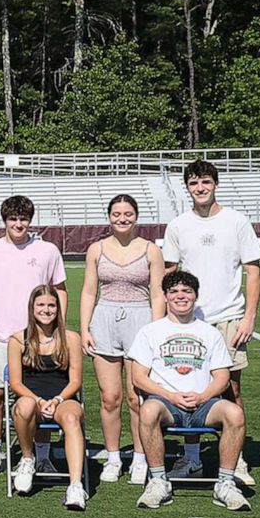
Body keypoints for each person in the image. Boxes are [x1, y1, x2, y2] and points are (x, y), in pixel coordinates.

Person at [161, 159, 260, 485]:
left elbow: (253, 270)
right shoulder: (178, 225)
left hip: (229, 318)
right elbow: (169, 273)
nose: (200, 188)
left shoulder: (237, 221)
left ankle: (237, 458)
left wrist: (249, 317)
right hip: (189, 320)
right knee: (188, 385)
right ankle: (191, 458)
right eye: (193, 183)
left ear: (215, 184)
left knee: (231, 388)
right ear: (187, 188)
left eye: (205, 182)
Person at [128, 270, 250, 512]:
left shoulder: (210, 332)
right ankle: (158, 480)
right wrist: (171, 396)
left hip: (204, 404)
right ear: (165, 297)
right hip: (167, 403)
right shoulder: (150, 331)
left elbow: (223, 376)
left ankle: (225, 483)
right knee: (149, 410)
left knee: (235, 413)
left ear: (195, 296)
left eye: (187, 291)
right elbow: (138, 377)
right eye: (174, 291)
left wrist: (203, 396)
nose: (180, 296)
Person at [0, 195, 66, 482]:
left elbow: (60, 289)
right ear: (4, 221)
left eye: (24, 218)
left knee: (42, 397)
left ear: (30, 220)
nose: (19, 224)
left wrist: (55, 328)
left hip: (38, 339)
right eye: (13, 218)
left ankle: (43, 455)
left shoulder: (47, 250)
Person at [78, 195, 164, 484]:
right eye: (116, 214)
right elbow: (89, 291)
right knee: (110, 397)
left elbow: (157, 293)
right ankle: (113, 457)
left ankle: (140, 458)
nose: (122, 219)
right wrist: (85, 328)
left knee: (136, 397)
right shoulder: (96, 249)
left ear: (136, 216)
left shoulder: (151, 250)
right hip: (105, 320)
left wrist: (155, 331)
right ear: (109, 216)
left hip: (141, 322)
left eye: (128, 213)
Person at [7, 284, 88, 510]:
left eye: (51, 305)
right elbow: (15, 383)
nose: (46, 310)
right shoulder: (17, 339)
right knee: (24, 406)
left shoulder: (70, 338)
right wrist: (39, 401)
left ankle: (75, 485)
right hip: (31, 398)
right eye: (41, 305)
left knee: (72, 418)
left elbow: (75, 381)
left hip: (62, 398)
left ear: (58, 308)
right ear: (32, 308)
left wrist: (57, 400)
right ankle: (27, 458)